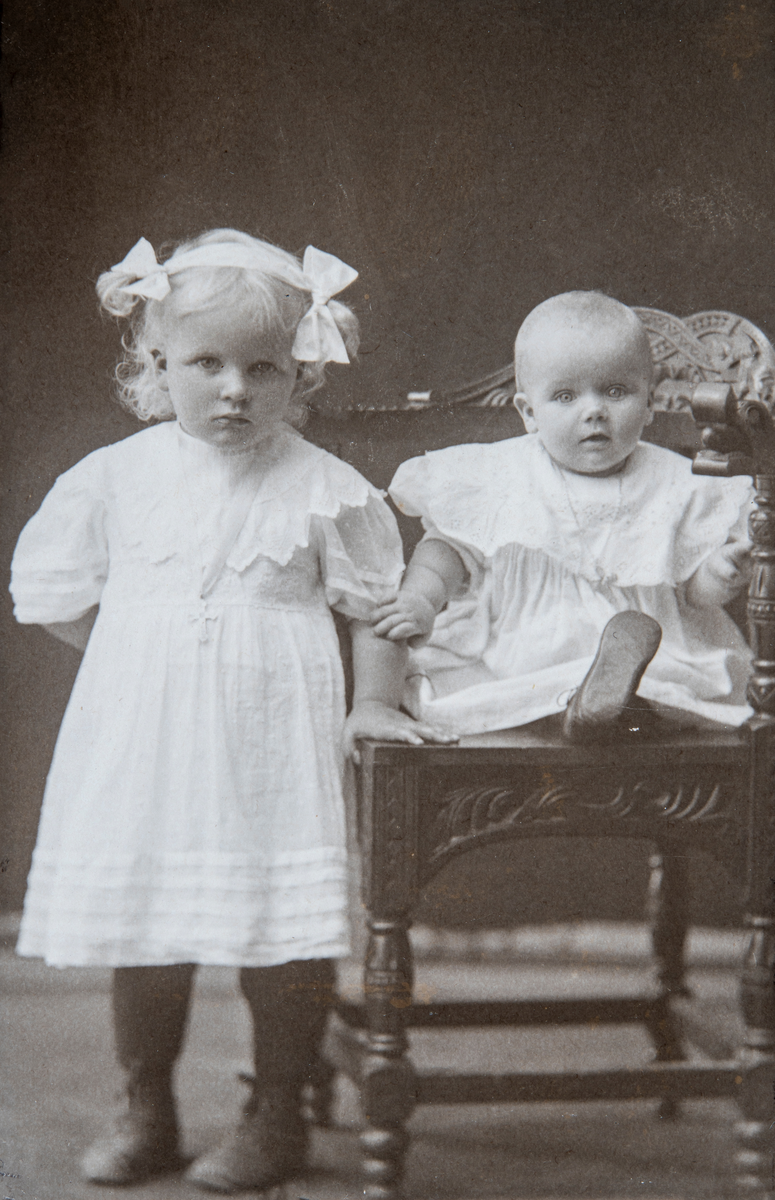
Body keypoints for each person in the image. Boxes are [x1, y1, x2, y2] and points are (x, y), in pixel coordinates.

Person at [10, 230, 451, 1193]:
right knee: (149, 924)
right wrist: (139, 653)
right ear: (154, 363)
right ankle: (149, 1106)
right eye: (205, 364)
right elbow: (50, 594)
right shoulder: (112, 478)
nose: (235, 390)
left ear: (302, 377)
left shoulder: (326, 488)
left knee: (281, 927)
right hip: (144, 738)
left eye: (265, 369)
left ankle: (277, 1111)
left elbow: (377, 605)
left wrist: (373, 700)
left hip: (271, 740)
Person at [372, 291, 753, 738]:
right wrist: (421, 599)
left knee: (664, 682)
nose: (594, 411)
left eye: (616, 392)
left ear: (650, 402)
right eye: (566, 396)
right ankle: (592, 708)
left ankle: (612, 703)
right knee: (522, 686)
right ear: (529, 412)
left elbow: (692, 590)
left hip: (654, 642)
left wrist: (719, 574)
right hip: (522, 646)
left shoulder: (677, 482)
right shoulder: (499, 473)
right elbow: (447, 548)